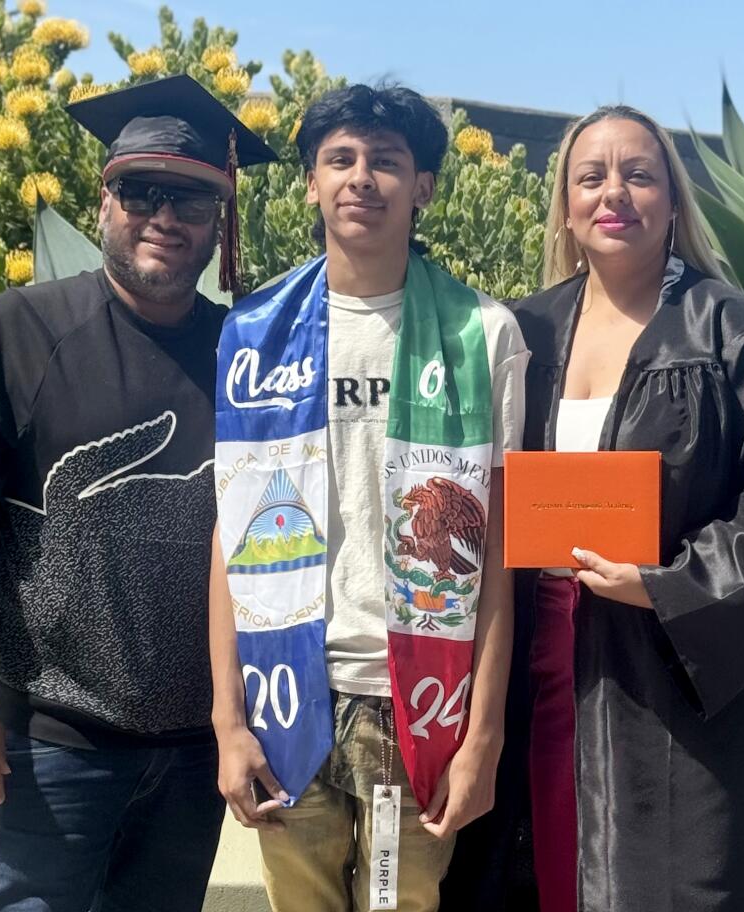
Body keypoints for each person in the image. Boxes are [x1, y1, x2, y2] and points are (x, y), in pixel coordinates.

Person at [0, 75, 277, 912]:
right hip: (56, 745)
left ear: (219, 221)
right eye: (141, 191)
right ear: (102, 199)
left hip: (193, 755)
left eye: (191, 200)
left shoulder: (243, 356)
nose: (165, 217)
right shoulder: (21, 331)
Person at [512, 105, 744, 912]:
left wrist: (670, 582)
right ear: (564, 202)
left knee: (670, 879)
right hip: (540, 655)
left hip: (665, 667)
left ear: (671, 199)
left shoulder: (733, 333)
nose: (613, 193)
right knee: (536, 867)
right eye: (590, 177)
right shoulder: (524, 331)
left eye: (639, 174)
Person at [209, 83, 528, 912]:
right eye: (340, 160)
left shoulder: (483, 334)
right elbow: (232, 537)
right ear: (310, 182)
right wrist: (229, 722)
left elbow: (495, 552)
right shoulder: (254, 337)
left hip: (422, 703)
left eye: (387, 162)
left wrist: (484, 736)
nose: (362, 179)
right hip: (289, 693)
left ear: (422, 185)